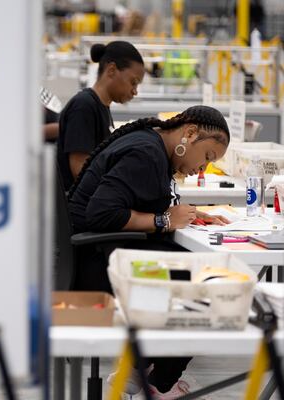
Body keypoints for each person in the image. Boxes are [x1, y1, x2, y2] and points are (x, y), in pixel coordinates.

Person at [67, 105, 231, 398]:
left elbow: (136, 200)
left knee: (207, 277)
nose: (202, 169)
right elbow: (101, 213)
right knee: (213, 289)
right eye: (206, 158)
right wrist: (164, 220)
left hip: (108, 254)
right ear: (190, 133)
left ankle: (139, 372)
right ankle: (156, 384)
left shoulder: (151, 145)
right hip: (99, 268)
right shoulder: (145, 153)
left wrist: (189, 214)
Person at [57, 41, 145, 190]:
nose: (135, 91)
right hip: (76, 209)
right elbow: (80, 170)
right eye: (133, 82)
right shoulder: (84, 106)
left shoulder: (101, 106)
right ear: (111, 70)